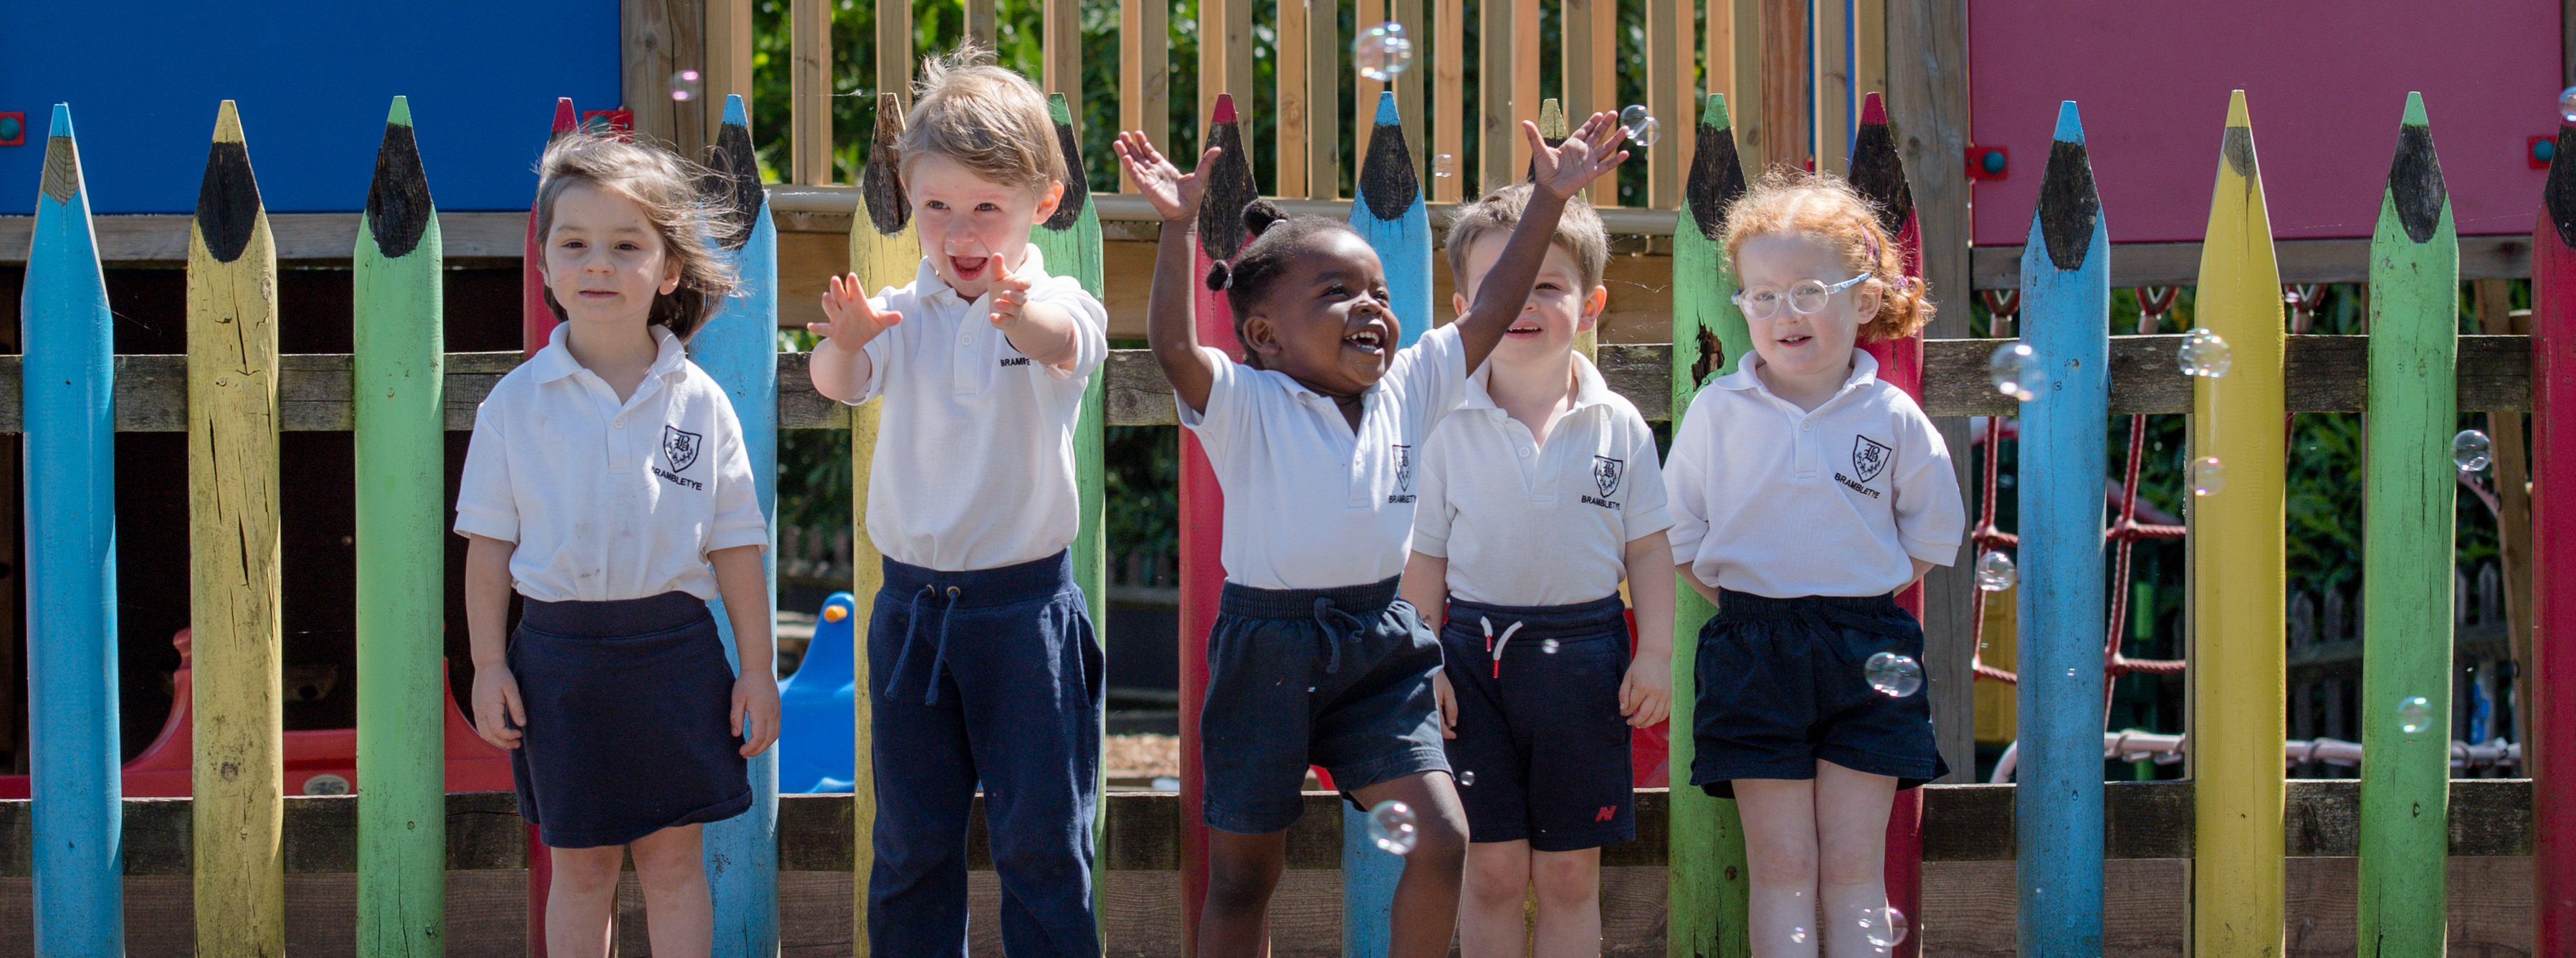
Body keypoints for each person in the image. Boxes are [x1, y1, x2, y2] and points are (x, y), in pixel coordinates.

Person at [1113, 112, 1631, 958]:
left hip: (1378, 645)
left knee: (1443, 836)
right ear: (1264, 335)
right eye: (1337, 295)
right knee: (1245, 877)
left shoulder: (1412, 388)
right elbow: (1173, 344)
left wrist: (1549, 196)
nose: (1371, 310)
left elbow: (1496, 307)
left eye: (1380, 295)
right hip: (1266, 650)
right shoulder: (1247, 404)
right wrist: (1176, 227)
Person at [805, 44, 1111, 958]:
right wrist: (849, 340)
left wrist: (1019, 314)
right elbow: (840, 381)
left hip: (1026, 616)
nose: (961, 230)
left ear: (1042, 207)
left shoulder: (1057, 299)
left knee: (1044, 843)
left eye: (988, 207)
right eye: (938, 206)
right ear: (910, 200)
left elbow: (1067, 345)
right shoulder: (904, 307)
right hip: (910, 611)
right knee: (908, 844)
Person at [459, 131, 777, 958]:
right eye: (575, 245)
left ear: (668, 269)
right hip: (559, 666)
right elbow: (488, 551)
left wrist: (756, 666)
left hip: (675, 657)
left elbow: (738, 545)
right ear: (546, 268)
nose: (597, 264)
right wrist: (490, 664)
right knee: (582, 870)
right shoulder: (513, 406)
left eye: (626, 245)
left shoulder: (702, 403)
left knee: (675, 866)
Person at [1664, 169, 1965, 957]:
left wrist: (1852, 592)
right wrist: (1750, 602)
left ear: (1864, 300)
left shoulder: (1891, 414)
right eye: (1761, 295)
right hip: (1751, 647)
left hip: (1867, 642)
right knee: (1784, 862)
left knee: (1856, 862)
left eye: (1806, 291)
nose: (1781, 312)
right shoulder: (1717, 412)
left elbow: (1932, 537)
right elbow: (1678, 533)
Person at [1397, 183, 1674, 958]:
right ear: (1463, 306)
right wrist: (1426, 665)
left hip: (1587, 657)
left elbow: (1649, 548)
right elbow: (1426, 558)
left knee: (1568, 877)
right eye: (1498, 289)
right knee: (1489, 870)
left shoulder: (1619, 422)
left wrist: (1655, 650)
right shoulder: (1448, 422)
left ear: (1591, 304)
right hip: (1470, 662)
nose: (1520, 302)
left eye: (1546, 286)